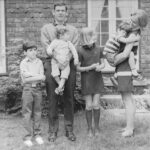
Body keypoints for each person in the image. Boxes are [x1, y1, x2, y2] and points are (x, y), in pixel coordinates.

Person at [41, 3, 79, 142]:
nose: (61, 13)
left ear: (67, 13)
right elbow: (47, 47)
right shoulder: (46, 28)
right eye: (58, 11)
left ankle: (69, 130)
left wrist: (66, 60)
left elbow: (74, 48)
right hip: (52, 64)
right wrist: (58, 59)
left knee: (69, 97)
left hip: (68, 65)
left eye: (63, 11)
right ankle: (52, 131)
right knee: (53, 98)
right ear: (53, 12)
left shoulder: (73, 30)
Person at [115, 9, 148, 137]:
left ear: (140, 24)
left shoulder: (134, 34)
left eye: (135, 23)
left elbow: (125, 54)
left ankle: (129, 129)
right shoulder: (132, 31)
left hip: (125, 67)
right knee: (128, 98)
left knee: (127, 99)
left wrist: (113, 60)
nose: (132, 24)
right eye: (131, 21)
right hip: (124, 67)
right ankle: (129, 127)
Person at [77, 27, 105, 137]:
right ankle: (89, 129)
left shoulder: (99, 48)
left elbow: (103, 64)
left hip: (97, 79)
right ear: (86, 38)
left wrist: (100, 67)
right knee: (89, 106)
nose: (95, 38)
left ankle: (97, 128)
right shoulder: (80, 50)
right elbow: (78, 68)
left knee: (96, 104)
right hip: (86, 80)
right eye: (92, 36)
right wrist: (90, 67)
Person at [20, 41, 45, 147]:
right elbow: (25, 79)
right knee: (27, 113)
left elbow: (42, 78)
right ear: (25, 52)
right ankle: (27, 137)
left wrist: (32, 76)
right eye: (30, 50)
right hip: (27, 90)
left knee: (38, 112)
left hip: (38, 89)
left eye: (35, 50)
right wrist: (36, 76)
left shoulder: (39, 62)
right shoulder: (23, 63)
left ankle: (37, 135)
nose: (33, 52)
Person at [46, 25, 79, 95]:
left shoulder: (68, 43)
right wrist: (50, 52)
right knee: (54, 73)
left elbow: (74, 51)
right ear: (61, 35)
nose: (69, 36)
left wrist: (76, 59)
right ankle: (60, 85)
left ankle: (60, 87)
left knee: (65, 73)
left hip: (65, 62)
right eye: (67, 35)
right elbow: (49, 48)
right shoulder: (55, 42)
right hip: (56, 61)